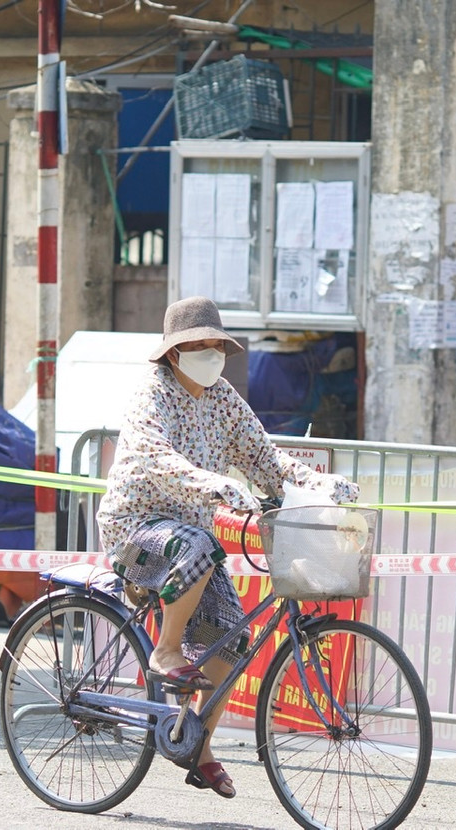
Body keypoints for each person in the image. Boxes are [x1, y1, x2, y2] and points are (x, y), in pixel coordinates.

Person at [96, 296, 358, 798]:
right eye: (200, 346)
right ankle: (166, 651)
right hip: (135, 530)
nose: (212, 354)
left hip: (191, 541)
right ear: (174, 353)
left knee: (234, 641)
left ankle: (196, 744)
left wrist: (322, 484)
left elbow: (265, 458)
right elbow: (156, 458)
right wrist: (214, 484)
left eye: (217, 345)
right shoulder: (152, 395)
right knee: (198, 545)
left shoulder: (223, 400)